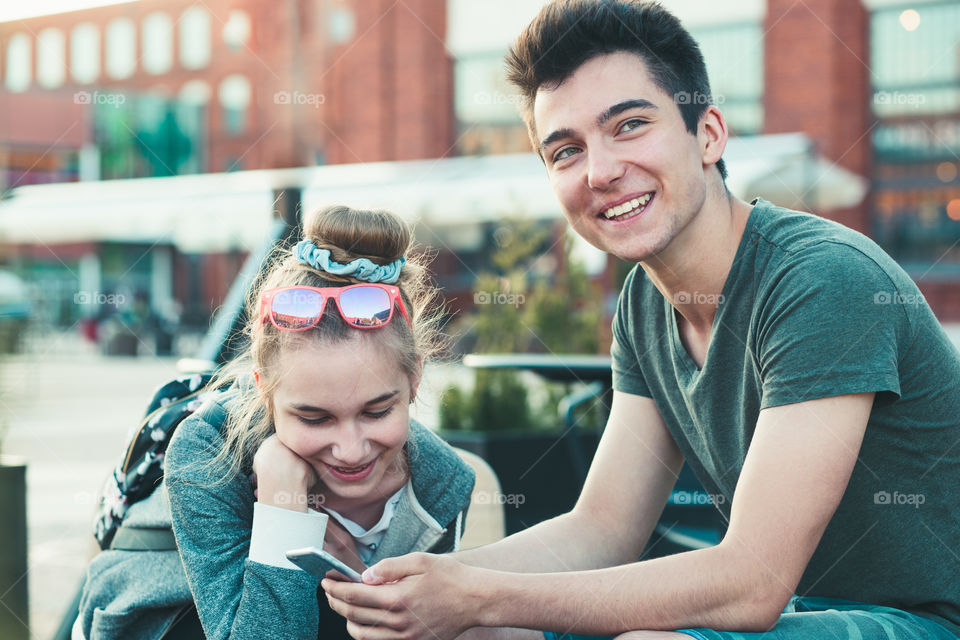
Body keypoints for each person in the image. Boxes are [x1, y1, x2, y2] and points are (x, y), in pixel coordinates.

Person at [322, 2, 960, 639]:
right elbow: (603, 528)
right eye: (566, 151)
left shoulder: (822, 279)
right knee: (471, 628)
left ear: (708, 133)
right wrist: (421, 587)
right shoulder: (644, 303)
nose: (599, 172)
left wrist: (480, 595)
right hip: (796, 615)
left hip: (924, 619)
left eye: (628, 125)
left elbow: (753, 581)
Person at [162, 205, 476, 640]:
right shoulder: (207, 455)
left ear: (415, 379)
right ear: (264, 391)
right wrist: (281, 505)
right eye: (314, 418)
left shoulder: (442, 486)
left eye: (377, 411)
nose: (350, 449)